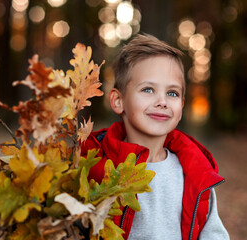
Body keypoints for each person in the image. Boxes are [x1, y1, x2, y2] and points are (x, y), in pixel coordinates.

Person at [81, 34, 229, 240]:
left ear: (182, 105)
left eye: (172, 93)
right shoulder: (95, 165)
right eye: (148, 89)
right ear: (118, 101)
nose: (162, 101)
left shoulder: (195, 172)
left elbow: (213, 234)